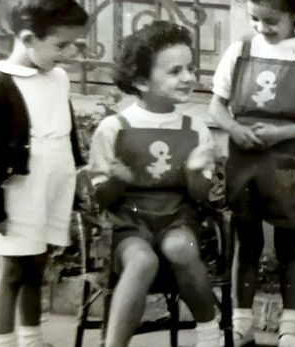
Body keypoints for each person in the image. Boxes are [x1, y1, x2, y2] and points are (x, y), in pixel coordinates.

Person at [209, 0, 295, 347]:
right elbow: (217, 105)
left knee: (288, 244)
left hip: (286, 162)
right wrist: (234, 128)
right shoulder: (239, 52)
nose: (263, 28)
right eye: (256, 20)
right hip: (244, 158)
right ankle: (242, 321)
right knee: (247, 241)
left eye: (272, 21)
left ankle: (290, 326)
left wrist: (281, 135)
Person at [0, 0, 89, 347]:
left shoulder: (58, 78)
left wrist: (78, 176)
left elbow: (66, 132)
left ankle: (31, 339)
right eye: (61, 46)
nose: (68, 54)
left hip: (54, 186)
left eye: (73, 45)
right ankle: (3, 342)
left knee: (39, 263)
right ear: (28, 38)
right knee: (14, 268)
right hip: (19, 193)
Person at [87, 21, 221, 347]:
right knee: (141, 260)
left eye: (190, 68)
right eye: (175, 71)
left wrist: (193, 172)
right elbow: (99, 199)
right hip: (128, 224)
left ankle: (209, 330)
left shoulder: (196, 129)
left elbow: (204, 198)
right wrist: (117, 182)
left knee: (180, 247)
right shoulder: (113, 128)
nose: (188, 77)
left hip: (177, 218)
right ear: (141, 81)